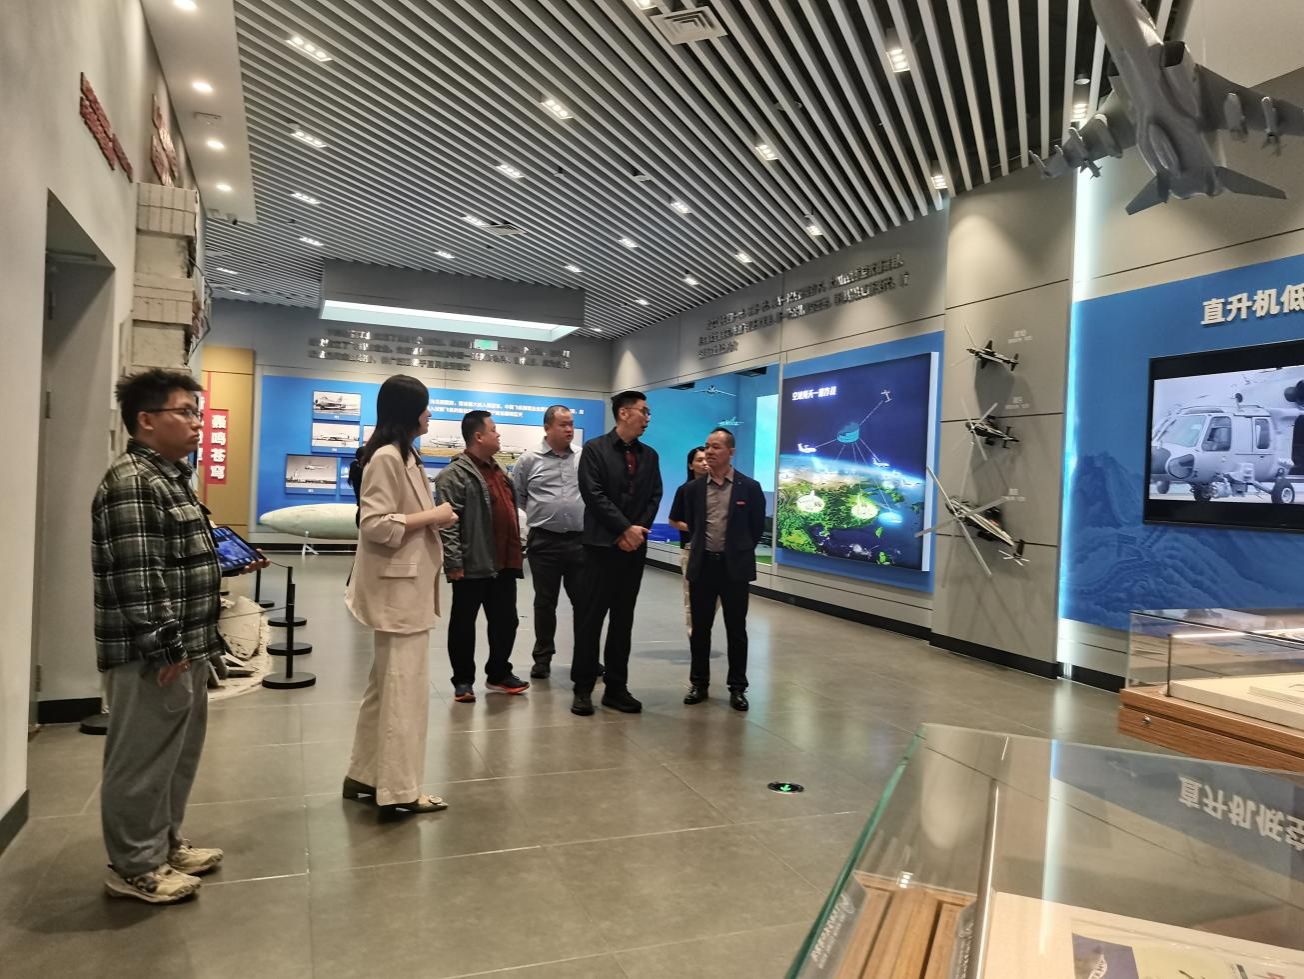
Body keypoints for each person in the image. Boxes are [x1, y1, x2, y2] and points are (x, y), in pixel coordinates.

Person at [93, 368, 268, 903]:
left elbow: (177, 559)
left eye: (198, 412)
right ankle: (134, 866)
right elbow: (139, 576)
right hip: (153, 653)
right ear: (146, 420)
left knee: (174, 755)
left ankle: (164, 843)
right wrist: (165, 646)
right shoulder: (133, 483)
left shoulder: (169, 477)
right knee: (142, 758)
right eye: (185, 412)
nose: (197, 423)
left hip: (185, 646)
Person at [345, 375, 458, 817]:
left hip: (406, 588)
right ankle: (398, 790)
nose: (429, 414)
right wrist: (434, 515)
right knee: (403, 693)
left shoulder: (404, 454)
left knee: (385, 689)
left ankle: (364, 774)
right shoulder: (387, 458)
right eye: (424, 406)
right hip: (397, 592)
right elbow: (374, 524)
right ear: (408, 411)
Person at [571, 391, 662, 716]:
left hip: (633, 551)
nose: (647, 418)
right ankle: (583, 688)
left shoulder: (649, 455)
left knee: (623, 621)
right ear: (624, 413)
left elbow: (654, 496)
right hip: (599, 549)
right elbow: (593, 494)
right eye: (643, 411)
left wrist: (637, 531)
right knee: (590, 620)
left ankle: (616, 688)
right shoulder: (595, 450)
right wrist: (624, 529)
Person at [436, 410, 530, 702]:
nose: (498, 434)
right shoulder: (453, 475)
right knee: (463, 624)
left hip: (504, 562)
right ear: (478, 436)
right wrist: (454, 563)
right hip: (472, 563)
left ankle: (499, 673)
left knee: (506, 621)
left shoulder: (499, 471)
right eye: (493, 429)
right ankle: (463, 681)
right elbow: (448, 524)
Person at [676, 427, 766, 711]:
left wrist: (737, 550)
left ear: (731, 452)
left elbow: (755, 528)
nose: (709, 452)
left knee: (736, 629)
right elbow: (692, 524)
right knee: (700, 629)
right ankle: (699, 683)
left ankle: (737, 687)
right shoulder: (693, 489)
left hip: (734, 570)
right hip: (703, 567)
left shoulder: (749, 488)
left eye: (716, 447)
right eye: (707, 446)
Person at [513, 405, 585, 680]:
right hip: (544, 541)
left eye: (571, 424)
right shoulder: (528, 460)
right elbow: (520, 496)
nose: (569, 429)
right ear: (547, 428)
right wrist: (545, 513)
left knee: (584, 603)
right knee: (545, 602)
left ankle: (586, 657)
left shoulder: (583, 457)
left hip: (580, 541)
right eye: (563, 424)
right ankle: (542, 658)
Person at [667, 446, 708, 636]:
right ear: (691, 465)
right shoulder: (685, 490)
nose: (705, 463)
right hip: (691, 550)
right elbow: (673, 521)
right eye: (699, 460)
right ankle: (695, 635)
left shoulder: (717, 488)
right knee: (691, 596)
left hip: (715, 551)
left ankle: (702, 628)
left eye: (707, 459)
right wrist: (697, 529)